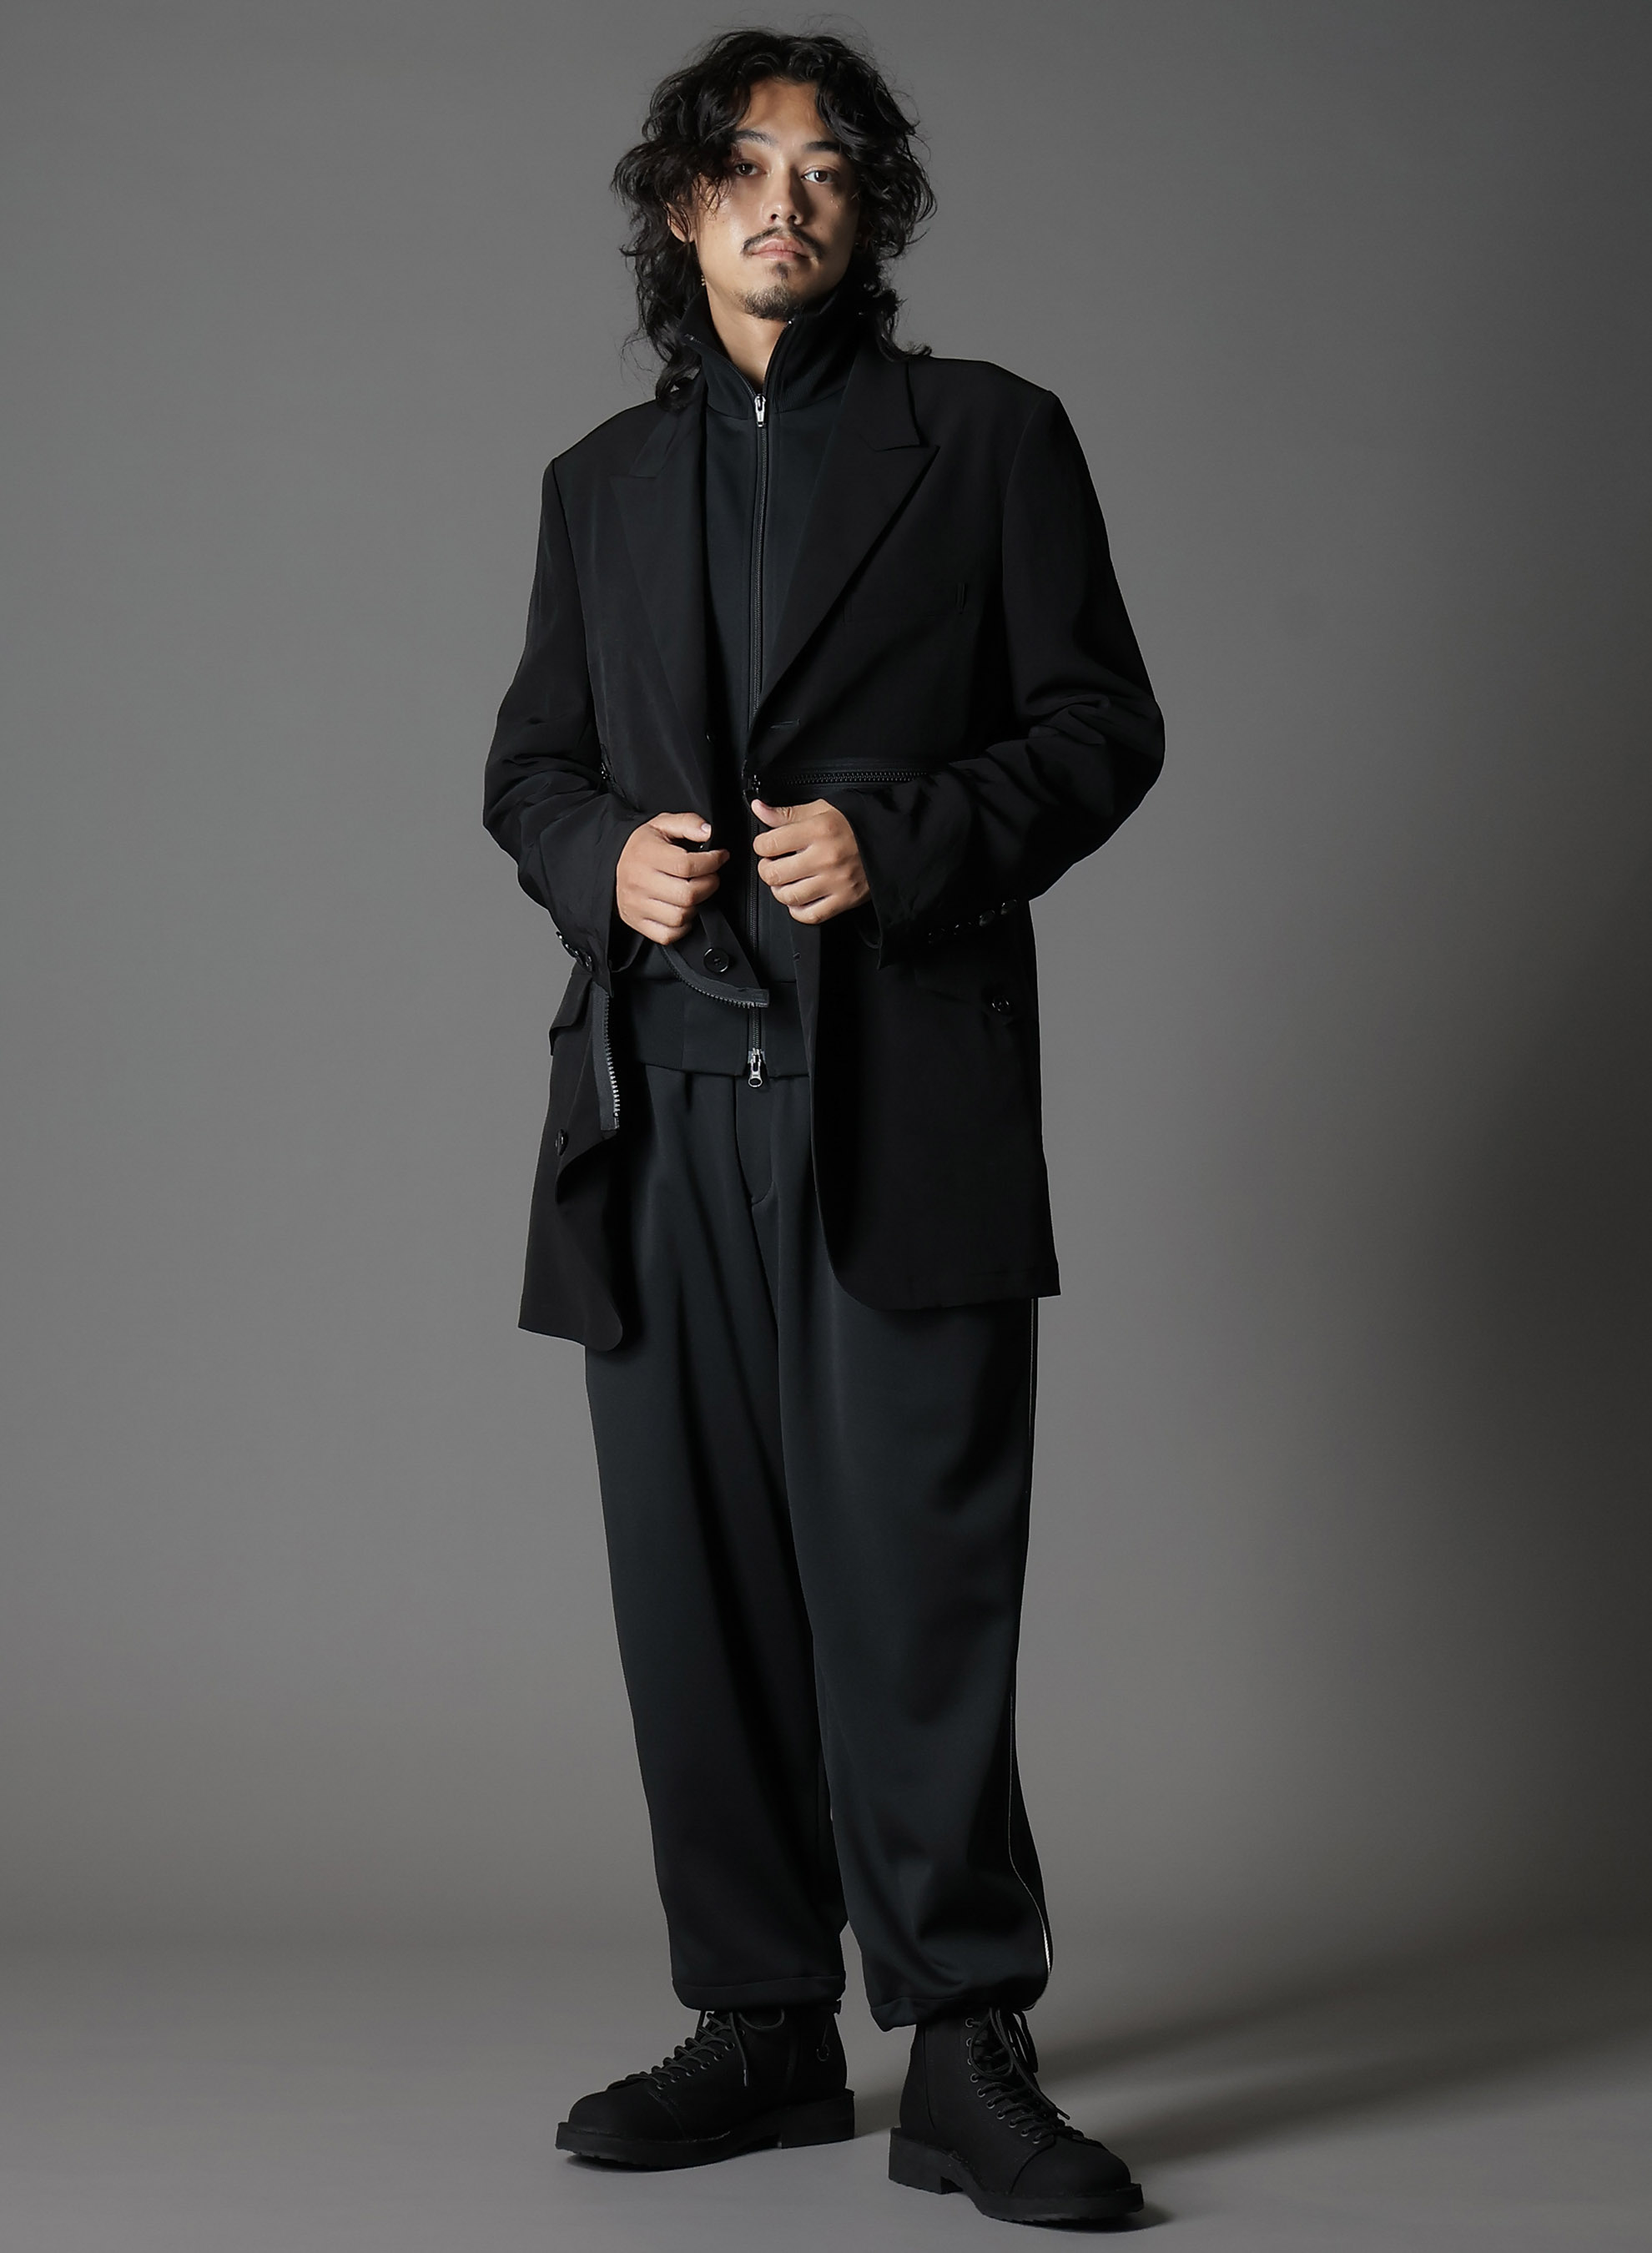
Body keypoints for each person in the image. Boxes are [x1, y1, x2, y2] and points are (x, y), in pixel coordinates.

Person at [483, 26, 1164, 2228]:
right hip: (655, 1110)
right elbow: (529, 768)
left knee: (917, 1590)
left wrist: (909, 836)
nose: (786, 198)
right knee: (693, 1590)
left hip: (901, 1107)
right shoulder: (597, 484)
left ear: (870, 212)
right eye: (744, 164)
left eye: (829, 166)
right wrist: (601, 860)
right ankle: (764, 2025)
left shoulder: (991, 441)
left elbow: (1102, 724)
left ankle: (963, 2046)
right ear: (681, 207)